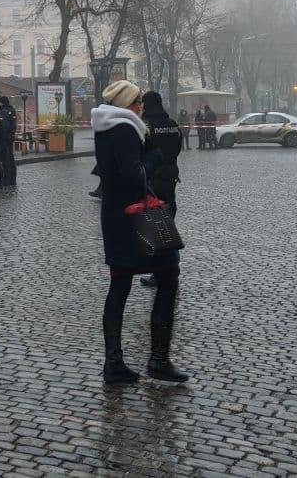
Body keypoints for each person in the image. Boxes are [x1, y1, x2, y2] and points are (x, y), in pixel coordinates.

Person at [91, 79, 188, 384]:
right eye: (136, 102)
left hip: (116, 217)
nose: (140, 108)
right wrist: (155, 156)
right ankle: (157, 360)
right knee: (168, 277)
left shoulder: (106, 126)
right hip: (136, 219)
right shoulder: (124, 129)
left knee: (119, 288)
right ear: (125, 104)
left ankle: (114, 362)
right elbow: (135, 174)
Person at [138, 91, 182, 290]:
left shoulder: (145, 126)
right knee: (168, 221)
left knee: (156, 226)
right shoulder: (172, 124)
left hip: (152, 179)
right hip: (170, 177)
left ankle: (160, 272)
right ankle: (172, 267)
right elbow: (178, 147)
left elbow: (140, 152)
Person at [0, 96, 18, 186]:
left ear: (2, 102)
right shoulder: (12, 110)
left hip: (5, 138)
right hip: (10, 137)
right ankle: (13, 179)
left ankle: (7, 179)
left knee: (6, 159)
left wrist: (1, 136)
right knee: (10, 157)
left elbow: (4, 126)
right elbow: (13, 125)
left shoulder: (4, 111)